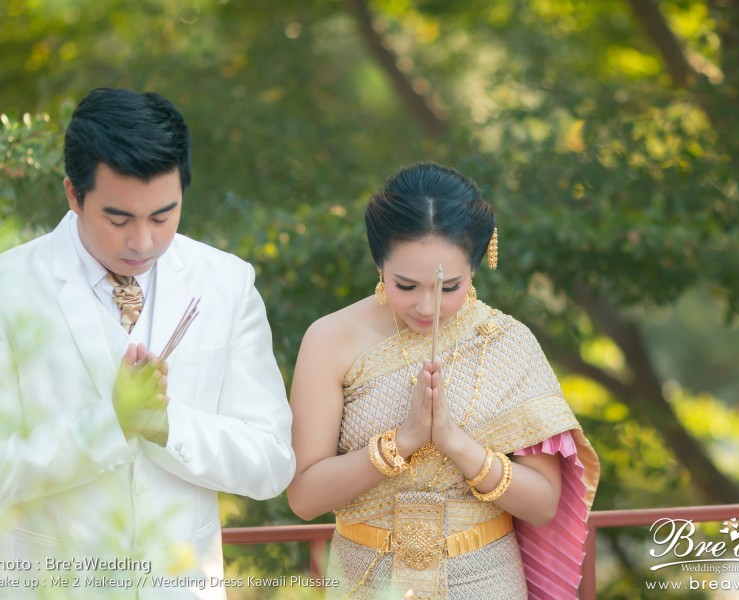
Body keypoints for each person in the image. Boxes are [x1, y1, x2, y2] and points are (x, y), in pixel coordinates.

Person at [0, 88, 295, 599]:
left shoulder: (225, 283)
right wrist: (108, 425)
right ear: (73, 195)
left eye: (163, 216)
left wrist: (167, 427)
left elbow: (270, 462)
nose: (143, 242)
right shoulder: (11, 289)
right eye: (118, 219)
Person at [288, 162, 599, 599]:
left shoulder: (507, 344)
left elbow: (543, 504)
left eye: (448, 286)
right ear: (379, 261)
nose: (426, 306)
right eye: (405, 285)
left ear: (478, 264)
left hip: (485, 581)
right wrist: (404, 440)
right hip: (366, 583)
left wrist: (455, 442)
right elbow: (304, 498)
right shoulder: (330, 340)